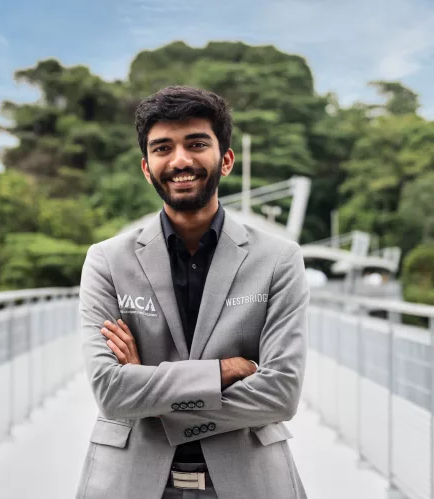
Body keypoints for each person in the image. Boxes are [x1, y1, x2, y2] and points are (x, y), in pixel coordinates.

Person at [75, 85, 309, 499]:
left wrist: (147, 390)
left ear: (226, 159)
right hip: (131, 480)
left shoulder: (279, 259)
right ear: (147, 167)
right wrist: (221, 373)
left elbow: (280, 394)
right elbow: (111, 391)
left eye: (196, 143)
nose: (180, 160)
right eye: (163, 148)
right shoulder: (107, 260)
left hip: (250, 481)